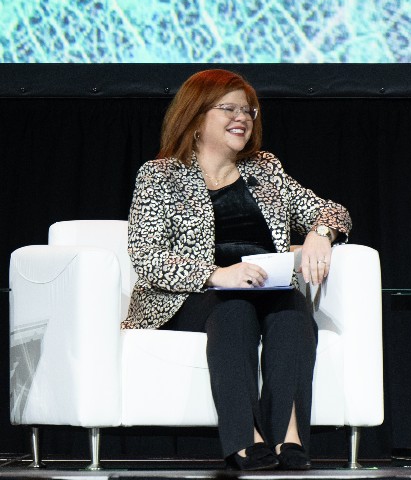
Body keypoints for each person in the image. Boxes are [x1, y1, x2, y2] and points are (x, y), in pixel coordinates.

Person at [123, 69, 352, 471]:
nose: (242, 117)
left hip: (268, 288)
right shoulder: (160, 175)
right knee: (233, 313)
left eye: (248, 110)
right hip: (192, 296)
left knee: (294, 315)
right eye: (228, 108)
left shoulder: (265, 169)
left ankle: (288, 437)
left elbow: (332, 209)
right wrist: (217, 274)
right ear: (195, 118)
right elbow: (147, 254)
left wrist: (319, 232)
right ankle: (246, 438)